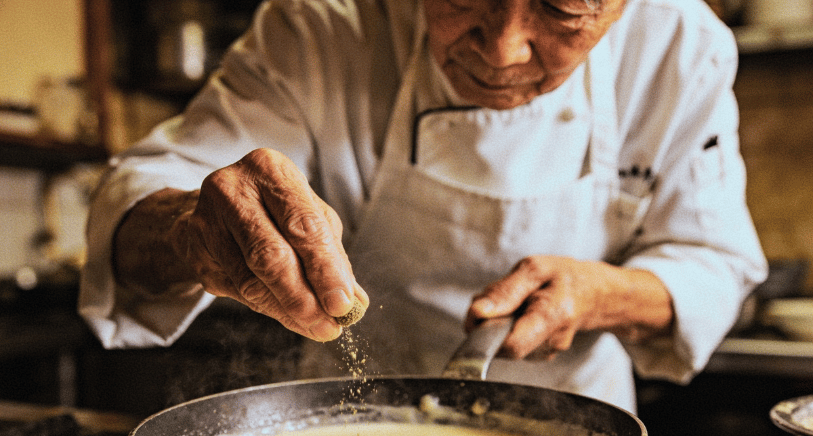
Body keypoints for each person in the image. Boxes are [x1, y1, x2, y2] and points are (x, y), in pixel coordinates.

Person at [78, 0, 767, 413]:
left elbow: (713, 262)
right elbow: (145, 197)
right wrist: (189, 229)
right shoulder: (321, 24)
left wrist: (603, 295)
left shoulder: (681, 47)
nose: (502, 49)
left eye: (562, 9)